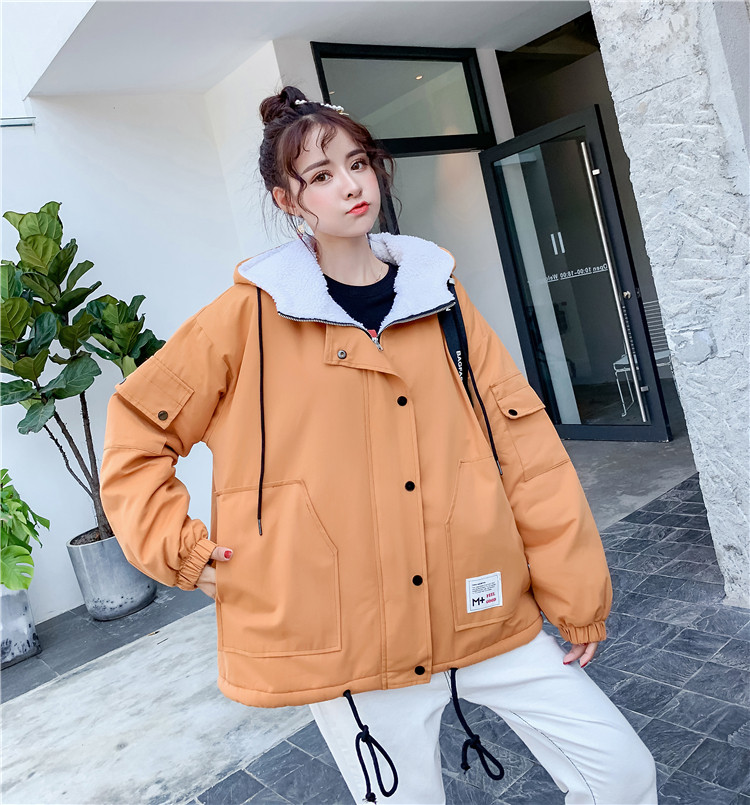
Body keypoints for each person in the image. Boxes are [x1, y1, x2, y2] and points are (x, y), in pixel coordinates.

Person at [99, 86, 658, 805]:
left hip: (483, 609)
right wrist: (182, 550)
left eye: (358, 163)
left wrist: (574, 591)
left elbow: (526, 450)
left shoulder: (440, 298)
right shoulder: (244, 318)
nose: (350, 185)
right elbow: (139, 430)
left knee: (621, 772)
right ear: (288, 200)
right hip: (350, 643)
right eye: (321, 175)